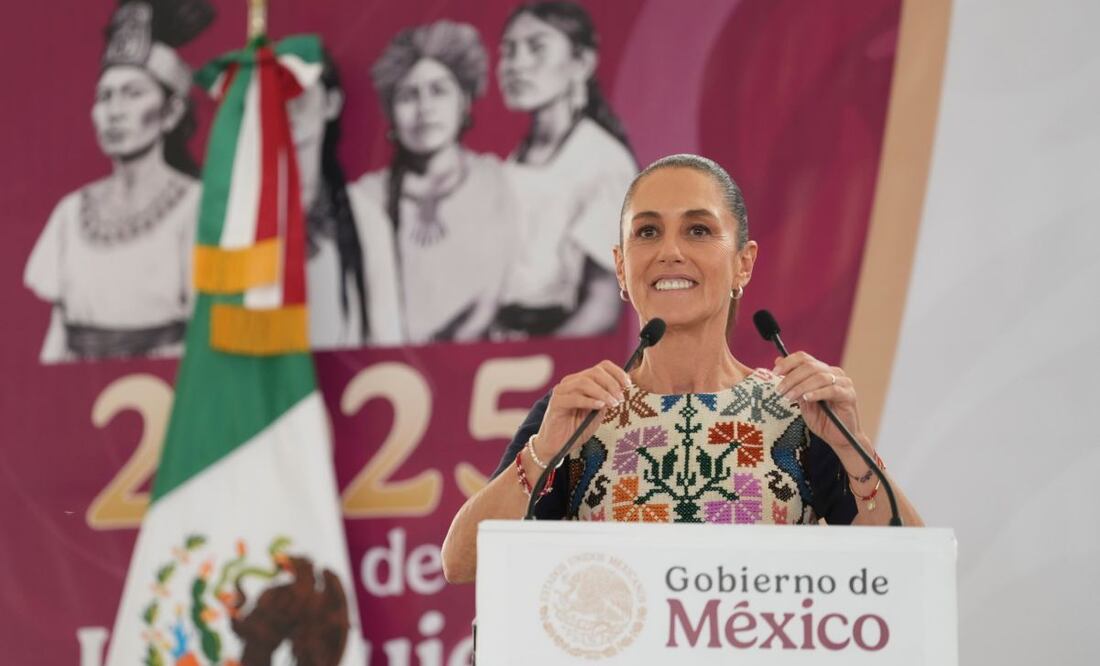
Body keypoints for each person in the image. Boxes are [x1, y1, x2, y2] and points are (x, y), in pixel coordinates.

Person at [442, 154, 924, 583]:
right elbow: (462, 565)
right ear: (620, 266)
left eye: (698, 229)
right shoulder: (577, 414)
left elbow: (912, 569)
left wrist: (851, 448)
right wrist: (543, 450)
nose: (670, 251)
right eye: (647, 231)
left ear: (744, 263)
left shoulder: (797, 414)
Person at [23, 0, 212, 362]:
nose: (115, 112)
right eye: (105, 97)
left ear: (171, 112)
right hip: (79, 397)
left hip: (170, 392)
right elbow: (58, 336)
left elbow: (206, 336)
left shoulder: (198, 207)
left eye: (133, 94)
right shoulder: (71, 212)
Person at [348, 20, 519, 345]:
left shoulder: (496, 180)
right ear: (390, 111)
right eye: (409, 96)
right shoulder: (365, 198)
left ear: (464, 101)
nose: (425, 109)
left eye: (438, 91)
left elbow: (493, 293)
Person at [493, 1, 635, 338]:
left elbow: (602, 305)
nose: (517, 65)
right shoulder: (513, 158)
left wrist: (548, 369)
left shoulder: (604, 160)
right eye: (509, 51)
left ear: (581, 63)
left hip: (554, 349)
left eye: (537, 48)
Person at [290, 50, 373, 349]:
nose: (288, 110)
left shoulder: (366, 216)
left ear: (331, 103)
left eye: (300, 95)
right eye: (277, 96)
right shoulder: (237, 216)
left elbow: (385, 331)